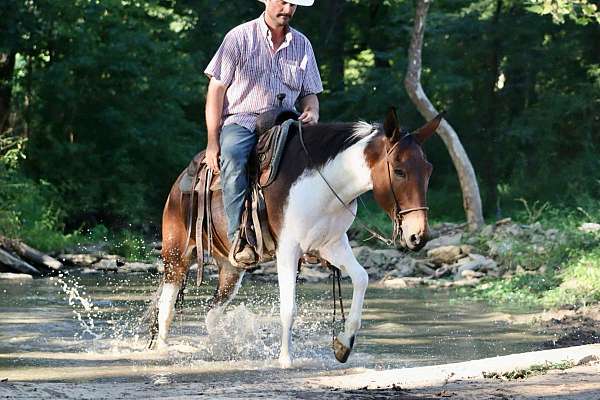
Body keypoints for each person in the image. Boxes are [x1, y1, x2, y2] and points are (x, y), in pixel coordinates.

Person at [203, 0, 323, 266]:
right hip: (242, 119)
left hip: (285, 122)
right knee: (233, 158)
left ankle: (310, 239)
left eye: (294, 4)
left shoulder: (302, 44)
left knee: (316, 166)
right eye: (283, 2)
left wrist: (312, 112)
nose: (288, 9)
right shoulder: (238, 38)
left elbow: (310, 93)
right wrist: (213, 141)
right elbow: (216, 91)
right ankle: (239, 238)